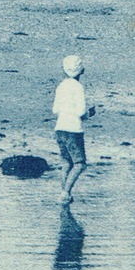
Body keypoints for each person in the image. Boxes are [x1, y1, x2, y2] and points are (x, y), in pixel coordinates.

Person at [53, 55, 98, 204]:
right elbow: (80, 112)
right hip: (73, 129)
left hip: (59, 128)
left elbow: (55, 110)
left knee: (66, 162)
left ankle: (64, 192)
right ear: (81, 71)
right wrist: (89, 113)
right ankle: (65, 193)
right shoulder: (78, 87)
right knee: (80, 164)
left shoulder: (61, 86)